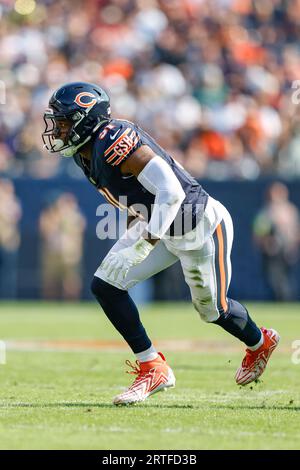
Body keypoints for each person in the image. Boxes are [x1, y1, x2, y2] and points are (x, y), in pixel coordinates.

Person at [42, 82, 280, 405]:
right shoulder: (85, 154)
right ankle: (152, 365)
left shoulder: (115, 139)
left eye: (64, 121)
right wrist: (134, 235)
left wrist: (145, 241)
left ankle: (259, 343)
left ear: (86, 119)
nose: (57, 130)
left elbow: (172, 192)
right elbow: (134, 198)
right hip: (162, 226)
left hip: (199, 225)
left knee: (213, 310)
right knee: (106, 284)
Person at [253, 182, 300, 301]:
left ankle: (286, 302)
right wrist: (267, 243)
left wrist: (292, 246)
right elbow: (258, 233)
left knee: (286, 280)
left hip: (286, 251)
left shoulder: (290, 211)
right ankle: (279, 300)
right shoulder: (266, 212)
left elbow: (295, 231)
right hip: (272, 253)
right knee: (274, 280)